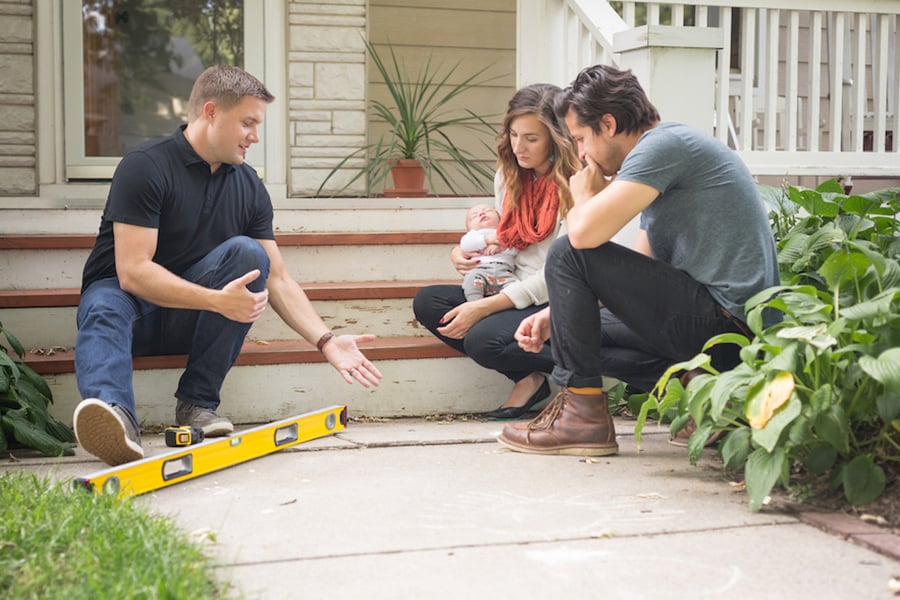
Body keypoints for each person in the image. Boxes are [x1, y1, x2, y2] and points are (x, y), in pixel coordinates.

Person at [73, 65, 382, 466]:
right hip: (130, 318)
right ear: (212, 111)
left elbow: (278, 276)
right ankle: (115, 421)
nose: (255, 136)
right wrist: (217, 300)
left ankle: (198, 404)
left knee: (249, 255)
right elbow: (133, 271)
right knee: (104, 300)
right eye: (248, 123)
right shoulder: (145, 166)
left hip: (193, 322)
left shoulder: (248, 185)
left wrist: (326, 341)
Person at [497, 64, 780, 456]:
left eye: (581, 139)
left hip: (732, 326)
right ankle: (712, 394)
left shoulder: (664, 147)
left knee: (567, 251)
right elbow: (636, 268)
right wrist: (555, 314)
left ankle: (582, 420)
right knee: (572, 331)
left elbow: (581, 238)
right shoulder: (651, 161)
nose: (580, 154)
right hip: (712, 326)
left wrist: (583, 195)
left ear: (608, 124)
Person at [413, 83, 581, 420]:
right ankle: (528, 376)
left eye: (531, 138)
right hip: (509, 280)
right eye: (514, 134)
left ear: (556, 137)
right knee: (430, 303)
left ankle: (581, 368)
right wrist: (462, 253)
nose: (518, 146)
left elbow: (557, 273)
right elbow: (503, 237)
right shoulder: (509, 175)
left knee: (482, 340)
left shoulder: (575, 184)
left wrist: (486, 307)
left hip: (552, 295)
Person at [459, 203, 518, 301]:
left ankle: (504, 306)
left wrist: (502, 248)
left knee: (516, 288)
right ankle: (475, 303)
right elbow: (465, 245)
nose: (482, 213)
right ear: (469, 228)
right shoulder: (473, 235)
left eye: (488, 210)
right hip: (480, 270)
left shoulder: (504, 232)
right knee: (470, 280)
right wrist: (486, 239)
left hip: (505, 272)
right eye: (474, 216)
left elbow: (517, 249)